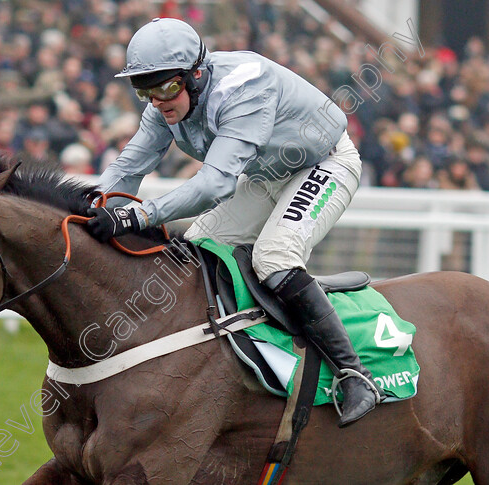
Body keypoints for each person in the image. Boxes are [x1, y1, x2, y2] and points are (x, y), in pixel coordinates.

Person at [86, 18, 379, 427]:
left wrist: (139, 214)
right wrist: (91, 205)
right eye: (145, 90)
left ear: (196, 74)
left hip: (324, 164)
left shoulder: (244, 88)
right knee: (197, 247)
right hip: (267, 176)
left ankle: (355, 374)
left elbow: (215, 184)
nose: (158, 100)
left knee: (274, 259)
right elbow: (131, 164)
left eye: (167, 87)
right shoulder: (162, 103)